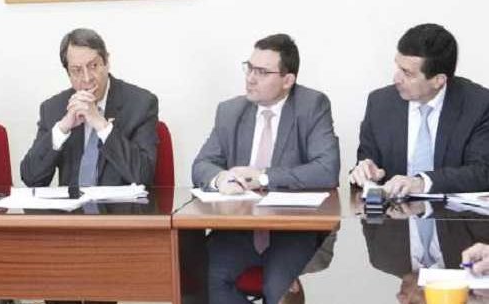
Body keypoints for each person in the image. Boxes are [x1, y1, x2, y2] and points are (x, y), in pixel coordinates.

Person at [191, 33, 340, 304]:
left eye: (262, 72)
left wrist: (263, 177)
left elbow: (326, 169)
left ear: (287, 80)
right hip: (240, 230)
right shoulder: (230, 111)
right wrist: (221, 178)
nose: (250, 78)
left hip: (292, 230)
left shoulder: (312, 106)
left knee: (278, 288)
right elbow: (202, 165)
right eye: (249, 68)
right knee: (198, 279)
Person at [350, 23, 489, 196]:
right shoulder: (380, 103)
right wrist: (366, 172)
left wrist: (422, 183)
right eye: (398, 68)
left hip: (451, 212)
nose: (396, 79)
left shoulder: (478, 105)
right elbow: (367, 162)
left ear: (439, 80)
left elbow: (482, 172)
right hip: (395, 211)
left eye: (407, 73)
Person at [20, 28, 159, 188]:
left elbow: (143, 176)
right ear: (68, 73)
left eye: (93, 66)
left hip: (119, 204)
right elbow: (31, 179)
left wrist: (102, 125)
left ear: (106, 62)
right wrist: (62, 128)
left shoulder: (141, 104)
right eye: (77, 70)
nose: (87, 78)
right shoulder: (53, 108)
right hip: (73, 204)